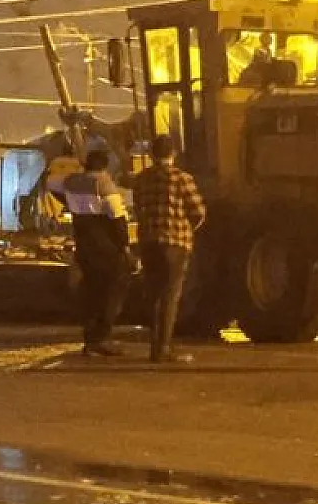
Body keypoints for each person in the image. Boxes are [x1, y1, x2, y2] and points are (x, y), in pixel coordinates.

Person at [131, 134, 207, 364]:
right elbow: (198, 212)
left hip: (149, 242)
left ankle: (155, 345)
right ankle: (163, 348)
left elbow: (138, 207)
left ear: (152, 154)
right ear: (173, 153)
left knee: (154, 295)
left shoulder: (142, 179)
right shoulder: (182, 178)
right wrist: (188, 228)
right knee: (170, 296)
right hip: (175, 242)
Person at [52, 147, 134, 356]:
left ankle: (90, 340)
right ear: (105, 167)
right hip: (106, 248)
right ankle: (103, 338)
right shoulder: (105, 185)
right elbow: (118, 219)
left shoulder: (71, 182)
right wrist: (125, 247)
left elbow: (51, 184)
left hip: (84, 245)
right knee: (112, 292)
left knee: (91, 292)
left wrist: (67, 201)